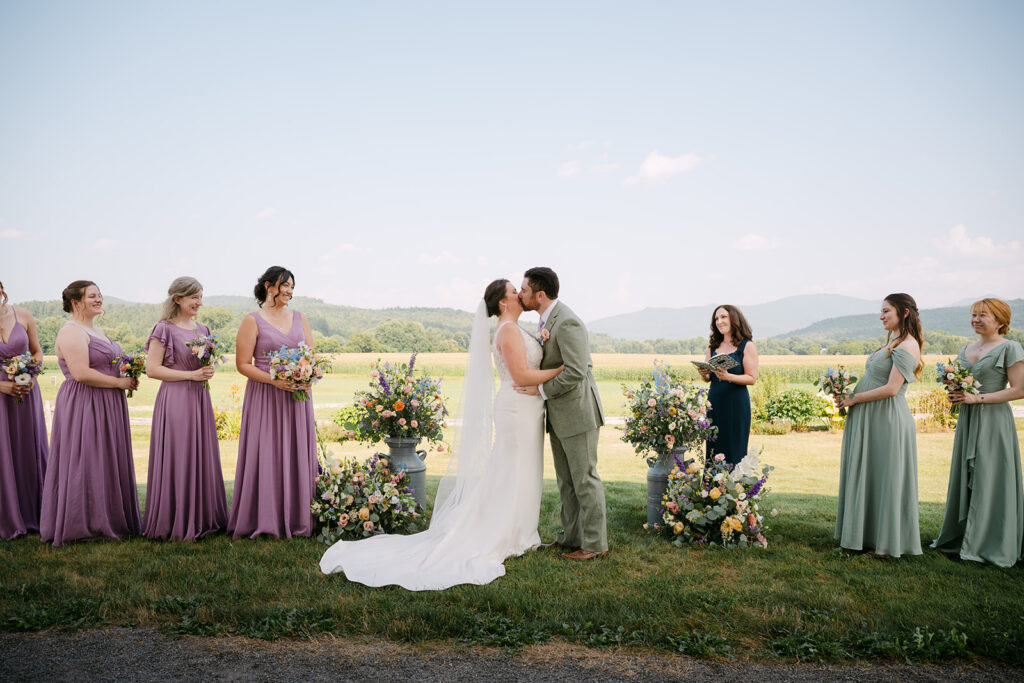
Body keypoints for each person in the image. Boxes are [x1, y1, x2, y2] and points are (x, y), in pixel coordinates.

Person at [319, 279, 563, 588]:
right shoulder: (509, 330)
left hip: (528, 410)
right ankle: (507, 533)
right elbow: (521, 375)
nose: (518, 294)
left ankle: (520, 531)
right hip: (517, 410)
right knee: (511, 472)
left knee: (522, 471)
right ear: (503, 302)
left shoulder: (515, 328)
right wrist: (561, 370)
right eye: (514, 291)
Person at [40, 281, 141, 546]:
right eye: (92, 296)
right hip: (85, 402)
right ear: (76, 302)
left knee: (106, 458)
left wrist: (125, 374)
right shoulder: (72, 332)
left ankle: (108, 518)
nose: (98, 300)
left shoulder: (95, 330)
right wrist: (120, 383)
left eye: (99, 295)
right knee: (85, 459)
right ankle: (81, 524)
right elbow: (81, 373)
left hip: (108, 402)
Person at [518, 266, 608, 561]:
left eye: (524, 290)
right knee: (566, 482)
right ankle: (572, 537)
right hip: (558, 415)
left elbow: (576, 371)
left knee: (585, 480)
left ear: (539, 294)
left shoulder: (567, 322)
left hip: (578, 414)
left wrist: (541, 391)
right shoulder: (549, 320)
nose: (521, 295)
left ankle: (594, 544)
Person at [931, 298, 1024, 567]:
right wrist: (955, 394)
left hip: (994, 421)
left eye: (983, 315)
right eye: (973, 314)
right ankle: (962, 537)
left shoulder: (1010, 347)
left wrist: (977, 400)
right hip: (968, 420)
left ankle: (991, 542)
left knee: (990, 477)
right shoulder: (966, 348)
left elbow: (1019, 389)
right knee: (967, 475)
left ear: (1000, 320)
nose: (976, 319)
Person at [228, 266, 318, 539]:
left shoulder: (300, 318)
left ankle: (299, 517)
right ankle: (264, 517)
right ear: (269, 286)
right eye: (285, 285)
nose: (290, 291)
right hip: (265, 396)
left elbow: (312, 357)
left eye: (292, 286)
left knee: (296, 451)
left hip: (297, 397)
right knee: (266, 451)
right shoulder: (252, 320)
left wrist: (310, 376)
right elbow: (242, 364)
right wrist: (273, 379)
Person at [834, 293, 923, 558]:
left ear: (904, 312)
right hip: (870, 417)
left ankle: (885, 546)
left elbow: (892, 389)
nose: (881, 316)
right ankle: (865, 535)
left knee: (884, 477)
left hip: (886, 419)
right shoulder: (894, 341)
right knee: (871, 475)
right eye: (881, 311)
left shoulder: (907, 345)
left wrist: (854, 398)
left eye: (886, 311)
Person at [142, 276, 227, 541]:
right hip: (176, 397)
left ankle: (203, 517)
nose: (199, 303)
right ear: (177, 299)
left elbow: (203, 362)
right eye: (194, 297)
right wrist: (190, 376)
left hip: (200, 398)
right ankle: (174, 519)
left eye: (201, 297)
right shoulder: (163, 329)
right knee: (179, 454)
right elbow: (152, 369)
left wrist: (207, 371)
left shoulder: (204, 329)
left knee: (200, 453)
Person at [0, 281, 49, 540]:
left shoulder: (24, 315)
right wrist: (2, 387)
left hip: (26, 391)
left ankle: (35, 512)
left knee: (27, 448)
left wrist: (31, 376)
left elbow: (37, 352)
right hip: (1, 394)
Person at [697, 305, 759, 466]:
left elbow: (752, 378)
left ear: (734, 319)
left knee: (735, 450)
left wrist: (728, 376)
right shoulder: (712, 346)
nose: (719, 321)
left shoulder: (747, 345)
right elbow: (709, 378)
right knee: (713, 448)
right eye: (716, 319)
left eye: (723, 317)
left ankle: (735, 490)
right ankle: (711, 491)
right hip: (714, 404)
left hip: (736, 404)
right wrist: (704, 374)